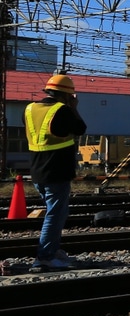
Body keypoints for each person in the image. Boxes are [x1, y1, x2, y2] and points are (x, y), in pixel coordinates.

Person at [25, 73, 87, 270]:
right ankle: (45, 256)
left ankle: (53, 249)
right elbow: (80, 128)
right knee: (55, 214)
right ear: (67, 95)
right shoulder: (63, 110)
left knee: (58, 212)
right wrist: (74, 109)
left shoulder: (30, 108)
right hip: (57, 170)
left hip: (37, 170)